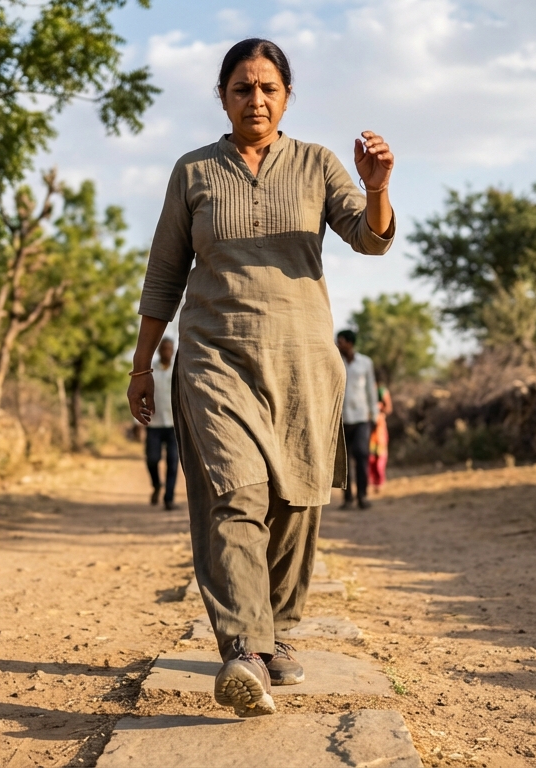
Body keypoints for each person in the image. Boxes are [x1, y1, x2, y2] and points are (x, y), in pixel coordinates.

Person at [126, 38, 395, 718]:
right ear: (222, 96)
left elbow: (369, 237)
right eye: (242, 88)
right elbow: (163, 275)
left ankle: (274, 633)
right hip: (216, 356)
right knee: (234, 494)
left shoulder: (316, 164)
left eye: (269, 88)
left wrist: (377, 188)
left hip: (304, 363)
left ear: (287, 96)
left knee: (295, 503)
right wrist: (140, 364)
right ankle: (243, 649)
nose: (256, 99)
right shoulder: (194, 173)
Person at [336, 330, 377, 510]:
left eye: (342, 342)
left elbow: (371, 390)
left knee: (361, 455)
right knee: (344, 462)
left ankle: (362, 496)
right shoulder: (335, 363)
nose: (339, 345)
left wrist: (374, 415)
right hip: (342, 418)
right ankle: (347, 498)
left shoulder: (365, 363)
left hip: (361, 417)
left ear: (350, 343)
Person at [145, 338, 178, 510]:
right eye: (163, 348)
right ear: (159, 351)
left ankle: (169, 498)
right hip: (154, 424)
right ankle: (157, 484)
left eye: (169, 349)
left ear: (173, 351)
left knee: (173, 463)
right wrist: (137, 422)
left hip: (174, 425)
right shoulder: (150, 371)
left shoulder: (178, 371)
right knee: (152, 460)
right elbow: (141, 395)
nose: (166, 351)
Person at [368, 384, 392, 493]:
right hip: (369, 430)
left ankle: (379, 482)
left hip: (379, 429)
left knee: (380, 458)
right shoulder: (364, 390)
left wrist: (379, 407)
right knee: (370, 458)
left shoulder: (382, 391)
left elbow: (388, 408)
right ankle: (371, 483)